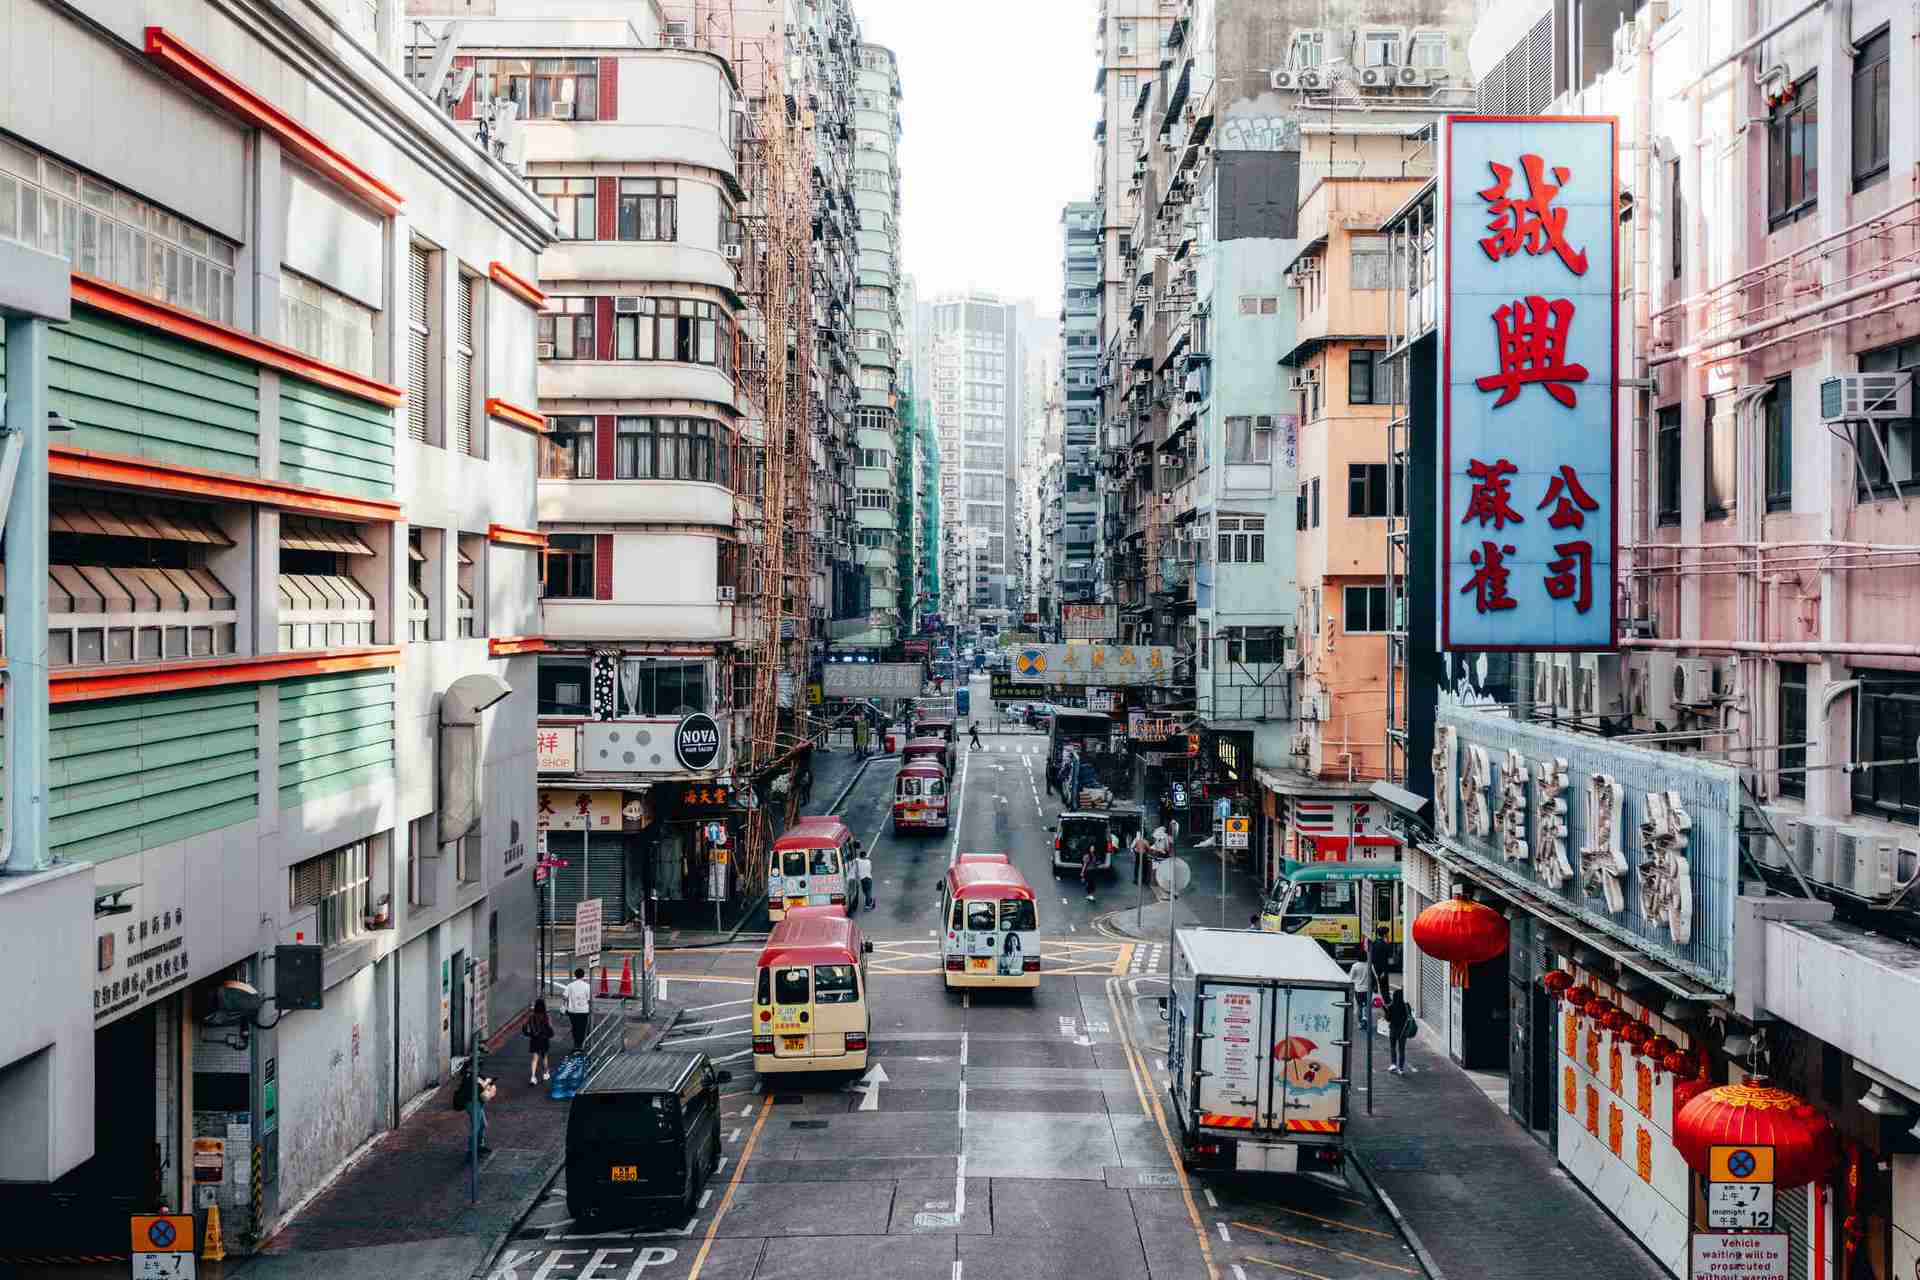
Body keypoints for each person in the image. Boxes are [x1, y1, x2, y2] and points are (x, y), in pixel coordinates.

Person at [524, 998, 556, 1084]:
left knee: (534, 1059)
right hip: (544, 1039)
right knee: (544, 1057)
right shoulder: (546, 1016)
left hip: (534, 1039)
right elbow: (550, 1027)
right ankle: (546, 1073)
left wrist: (528, 1033)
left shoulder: (531, 1016)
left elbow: (524, 1026)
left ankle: (533, 1077)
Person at [1385, 988, 1414, 1075]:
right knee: (1402, 1049)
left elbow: (1388, 1018)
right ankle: (1401, 1069)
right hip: (1403, 1031)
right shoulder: (1406, 1006)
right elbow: (1409, 1016)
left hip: (1393, 1030)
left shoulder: (1391, 1006)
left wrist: (1386, 1012)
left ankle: (1393, 1064)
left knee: (1393, 1047)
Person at [564, 967, 592, 1052]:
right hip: (584, 1011)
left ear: (575, 975)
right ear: (583, 975)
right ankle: (581, 1044)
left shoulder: (570, 985)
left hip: (572, 1011)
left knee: (575, 1027)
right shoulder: (587, 986)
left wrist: (564, 1006)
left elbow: (565, 997)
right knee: (583, 1027)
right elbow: (589, 999)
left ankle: (576, 1044)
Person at [1347, 957, 1375, 1031]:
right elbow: (1374, 976)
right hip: (1368, 990)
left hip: (1358, 989)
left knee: (1359, 1006)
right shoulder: (1370, 965)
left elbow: (1350, 978)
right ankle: (1367, 1022)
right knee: (1367, 1006)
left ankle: (1359, 1023)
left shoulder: (1355, 966)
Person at [1368, 925, 1393, 990]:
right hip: (1382, 970)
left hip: (1375, 969)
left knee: (1377, 987)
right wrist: (1383, 971)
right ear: (1385, 935)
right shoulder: (1384, 945)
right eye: (1388, 933)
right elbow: (1385, 958)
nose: (1388, 935)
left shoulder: (1374, 943)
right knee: (1383, 989)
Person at [853, 846, 875, 911]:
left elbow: (856, 859)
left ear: (860, 856)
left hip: (862, 879)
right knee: (868, 891)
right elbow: (871, 870)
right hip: (869, 878)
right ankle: (868, 903)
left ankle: (868, 902)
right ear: (865, 856)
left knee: (865, 891)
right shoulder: (868, 861)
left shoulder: (858, 861)